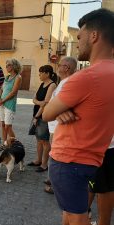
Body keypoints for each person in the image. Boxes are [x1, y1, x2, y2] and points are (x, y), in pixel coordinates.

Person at [43, 9, 114, 225]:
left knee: (74, 218)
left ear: (94, 36)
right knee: (74, 213)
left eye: (80, 36)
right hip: (93, 158)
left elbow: (46, 114)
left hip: (68, 160)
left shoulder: (85, 77)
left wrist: (58, 108)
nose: (78, 40)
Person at [44, 57, 77, 194]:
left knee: (57, 157)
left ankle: (55, 184)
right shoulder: (63, 82)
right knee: (54, 155)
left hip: (58, 127)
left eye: (60, 65)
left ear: (67, 68)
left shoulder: (68, 83)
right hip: (54, 126)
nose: (58, 66)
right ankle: (52, 179)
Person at [27, 65, 57, 172]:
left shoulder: (52, 85)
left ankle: (44, 165)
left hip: (43, 116)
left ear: (47, 73)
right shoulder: (42, 84)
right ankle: (38, 160)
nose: (39, 74)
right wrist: (39, 103)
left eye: (41, 72)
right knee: (38, 140)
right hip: (37, 113)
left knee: (44, 141)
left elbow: (46, 103)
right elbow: (34, 99)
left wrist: (36, 116)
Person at [0, 58, 22, 151]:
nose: (6, 67)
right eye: (6, 65)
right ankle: (5, 144)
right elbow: (1, 89)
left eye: (9, 65)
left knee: (8, 126)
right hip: (2, 104)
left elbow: (13, 92)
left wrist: (2, 101)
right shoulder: (7, 77)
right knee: (3, 125)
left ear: (14, 66)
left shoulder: (18, 77)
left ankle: (15, 144)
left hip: (9, 104)